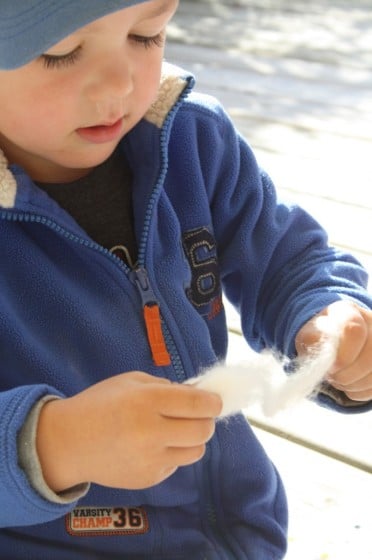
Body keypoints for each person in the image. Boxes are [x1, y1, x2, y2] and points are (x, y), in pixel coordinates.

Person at [0, 1, 371, 558]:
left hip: (236, 526)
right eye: (60, 53)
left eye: (147, 34)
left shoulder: (191, 141)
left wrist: (326, 314)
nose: (121, 84)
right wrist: (52, 444)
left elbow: (285, 257)